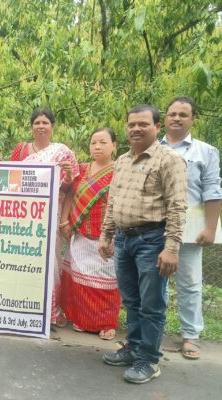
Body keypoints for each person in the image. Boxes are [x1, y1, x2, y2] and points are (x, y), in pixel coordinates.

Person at [99, 104, 187, 384]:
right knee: (131, 300)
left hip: (152, 240)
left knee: (152, 304)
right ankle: (134, 348)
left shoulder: (168, 160)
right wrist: (106, 234)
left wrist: (171, 247)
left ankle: (149, 360)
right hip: (124, 239)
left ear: (156, 127)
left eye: (143, 124)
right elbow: (113, 201)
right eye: (132, 124)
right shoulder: (123, 160)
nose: (136, 129)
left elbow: (177, 206)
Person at [161, 96, 222, 360]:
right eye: (172, 113)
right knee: (153, 283)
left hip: (190, 229)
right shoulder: (153, 147)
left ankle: (190, 335)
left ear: (192, 119)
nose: (176, 118)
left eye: (183, 114)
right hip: (155, 227)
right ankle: (153, 333)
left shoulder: (205, 152)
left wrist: (211, 227)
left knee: (190, 283)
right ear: (164, 118)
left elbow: (212, 190)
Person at [10, 108, 79, 327]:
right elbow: (10, 180)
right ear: (31, 127)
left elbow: (69, 188)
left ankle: (49, 311)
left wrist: (67, 175)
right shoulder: (21, 151)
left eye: (45, 122)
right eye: (37, 122)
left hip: (51, 214)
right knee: (23, 260)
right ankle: (23, 308)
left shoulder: (62, 152)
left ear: (52, 127)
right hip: (23, 216)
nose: (41, 126)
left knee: (50, 262)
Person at [60, 128, 120, 340]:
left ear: (114, 145)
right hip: (80, 235)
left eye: (103, 142)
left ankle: (106, 323)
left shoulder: (119, 171)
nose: (97, 146)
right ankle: (82, 319)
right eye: (93, 142)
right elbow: (70, 194)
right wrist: (64, 220)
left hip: (106, 236)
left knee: (106, 281)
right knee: (79, 278)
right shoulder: (82, 169)